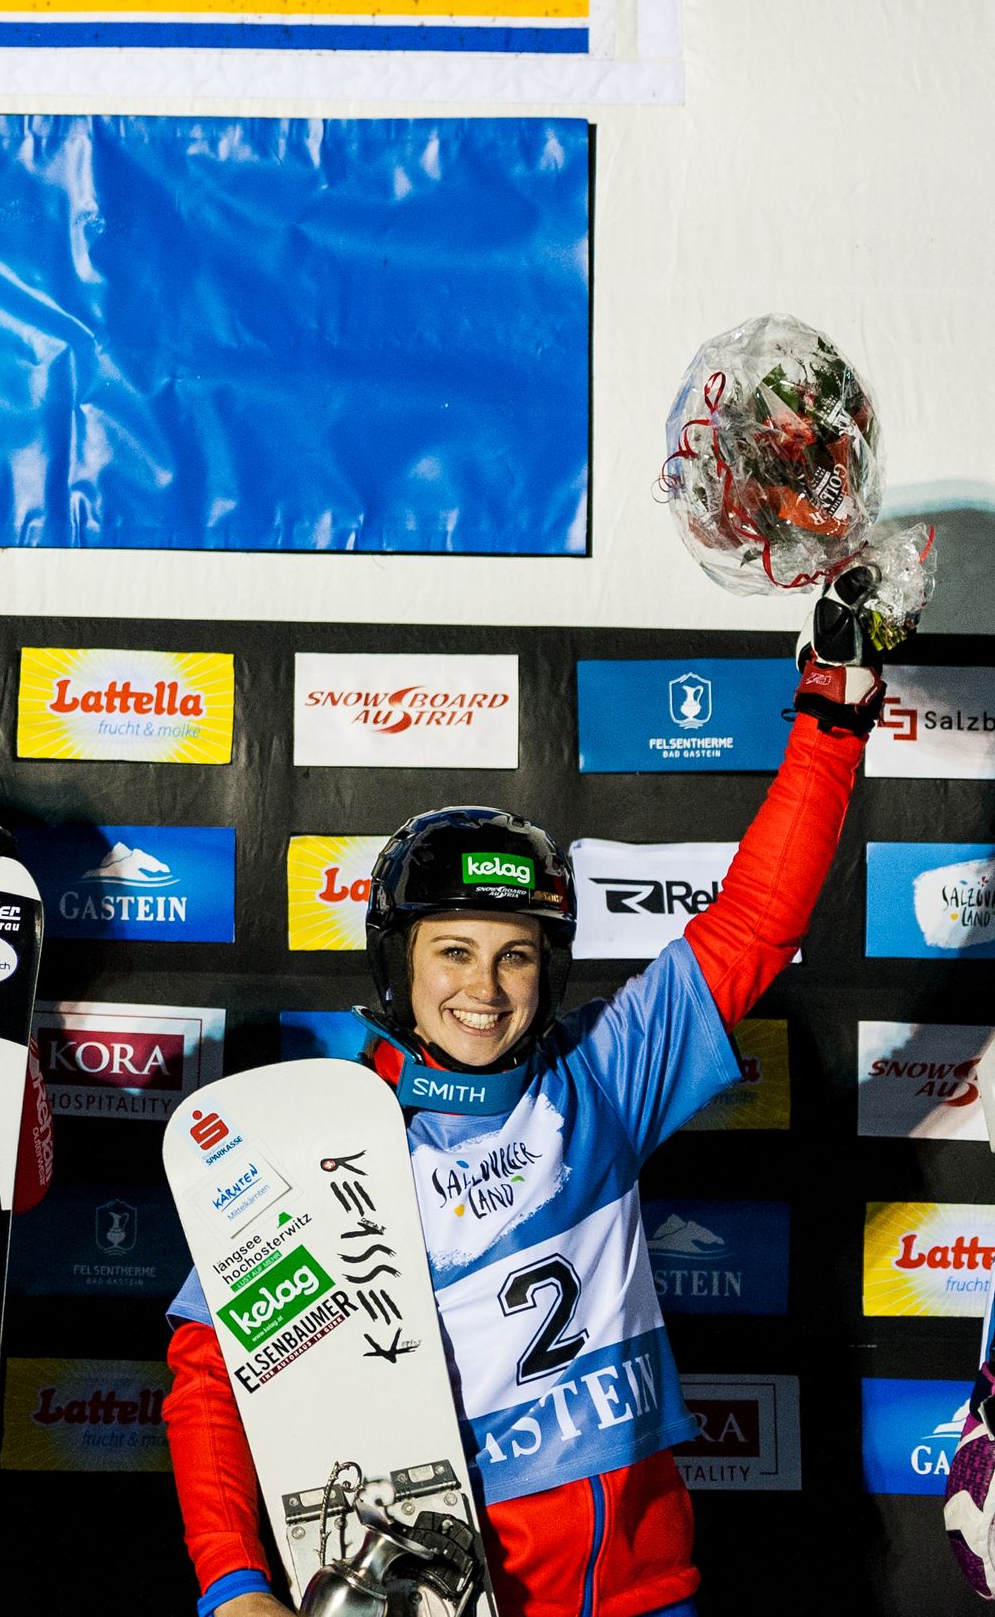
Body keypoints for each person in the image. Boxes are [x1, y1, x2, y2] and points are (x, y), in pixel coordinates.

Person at [161, 588, 894, 1617]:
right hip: (456, 1596)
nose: (486, 988)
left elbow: (752, 927)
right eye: (452, 951)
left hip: (650, 1591)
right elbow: (210, 1373)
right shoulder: (321, 1143)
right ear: (396, 965)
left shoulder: (597, 1080)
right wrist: (233, 1582)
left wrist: (833, 712)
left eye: (517, 956)